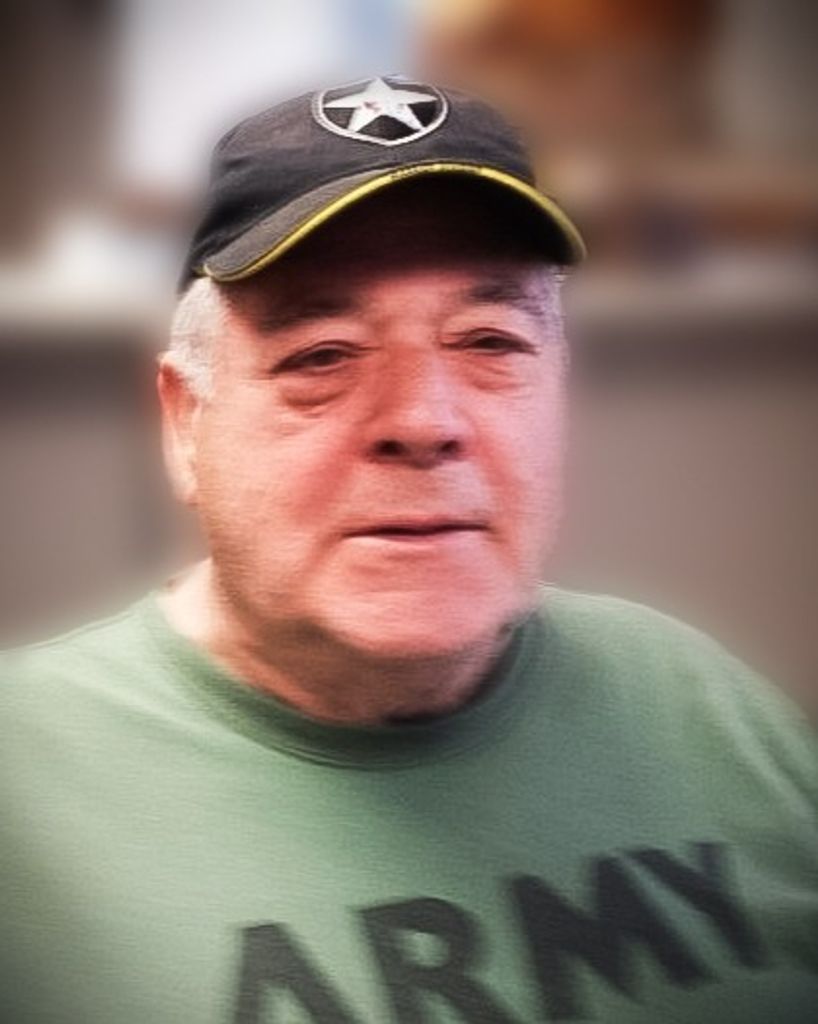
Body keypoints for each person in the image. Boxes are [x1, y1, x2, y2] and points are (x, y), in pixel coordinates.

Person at [1, 75, 815, 1024]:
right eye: (322, 355)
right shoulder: (25, 788)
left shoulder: (707, 708)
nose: (425, 421)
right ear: (187, 425)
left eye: (490, 342)